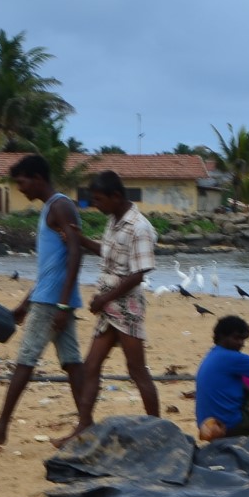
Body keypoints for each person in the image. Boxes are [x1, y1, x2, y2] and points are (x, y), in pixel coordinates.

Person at [0, 154, 85, 452]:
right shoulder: (53, 208)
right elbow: (52, 268)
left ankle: (1, 428)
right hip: (51, 299)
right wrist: (23, 305)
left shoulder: (59, 206)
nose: (20, 188)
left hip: (53, 303)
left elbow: (76, 253)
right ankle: (87, 426)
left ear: (38, 178)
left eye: (22, 182)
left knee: (25, 361)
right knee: (71, 363)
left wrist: (63, 306)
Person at [56, 171, 161, 447]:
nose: (96, 205)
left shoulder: (140, 227)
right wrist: (79, 240)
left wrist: (104, 299)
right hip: (108, 304)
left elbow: (139, 274)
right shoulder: (114, 221)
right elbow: (108, 253)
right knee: (91, 366)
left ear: (116, 197)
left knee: (136, 370)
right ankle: (83, 426)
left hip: (126, 306)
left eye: (99, 200)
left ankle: (158, 430)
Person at [195, 315, 249, 441]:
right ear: (222, 337)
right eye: (236, 338)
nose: (241, 343)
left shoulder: (213, 354)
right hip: (229, 428)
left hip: (206, 427)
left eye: (243, 340)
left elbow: (246, 382)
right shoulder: (232, 357)